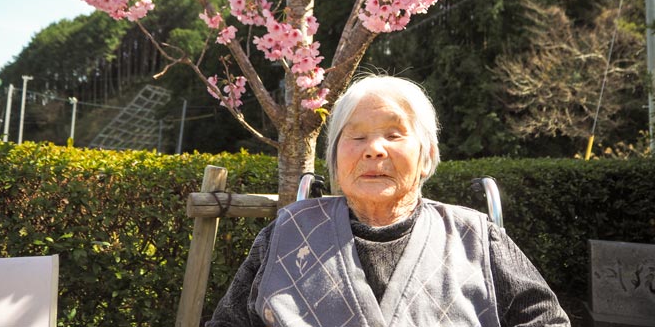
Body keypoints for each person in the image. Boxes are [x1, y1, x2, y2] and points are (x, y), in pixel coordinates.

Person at [206, 75, 570, 326]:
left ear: (426, 155)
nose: (374, 150)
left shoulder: (475, 236)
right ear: (334, 157)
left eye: (394, 135)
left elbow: (544, 318)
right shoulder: (286, 233)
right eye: (357, 137)